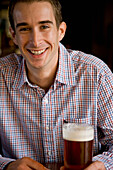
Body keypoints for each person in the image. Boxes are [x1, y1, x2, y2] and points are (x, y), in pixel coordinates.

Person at [0, 0, 113, 169]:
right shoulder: (1, 75)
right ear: (13, 35)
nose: (36, 41)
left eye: (44, 26)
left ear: (60, 31)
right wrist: (7, 166)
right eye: (24, 29)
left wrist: (102, 166)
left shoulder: (96, 74)